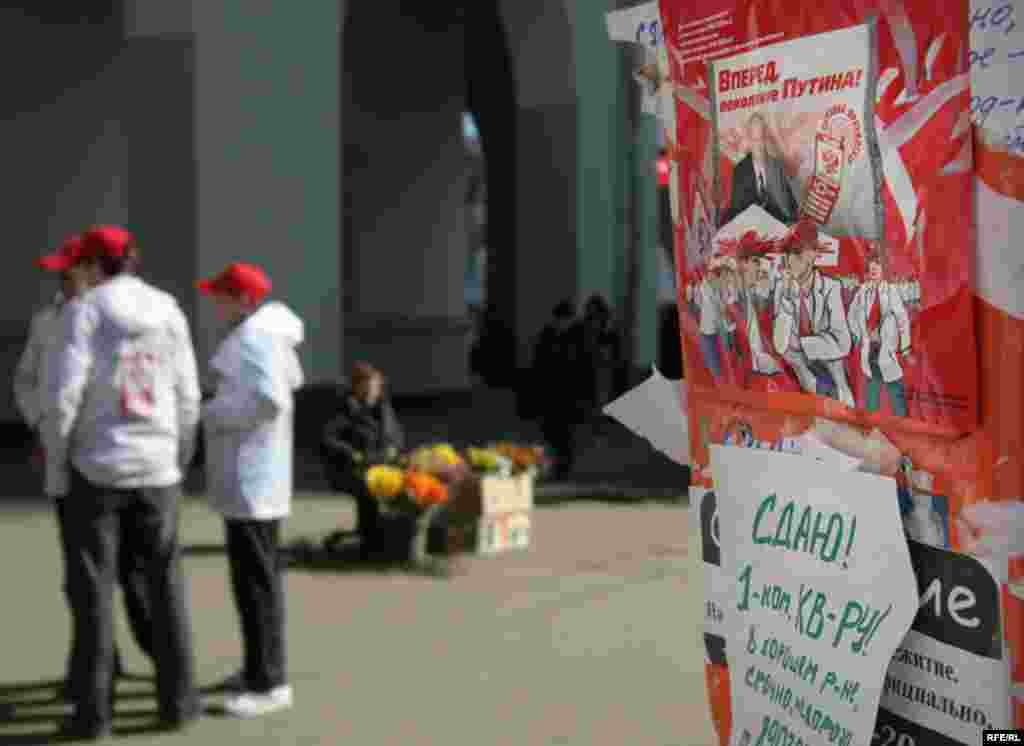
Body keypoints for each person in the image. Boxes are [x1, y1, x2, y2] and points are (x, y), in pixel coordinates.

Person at [39, 225, 200, 739]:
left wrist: (58, 463)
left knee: (94, 594)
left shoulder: (84, 312)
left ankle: (94, 714)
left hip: (99, 468)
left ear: (91, 264)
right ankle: (179, 704)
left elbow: (64, 394)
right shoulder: (169, 308)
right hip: (157, 467)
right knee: (166, 587)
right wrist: (179, 454)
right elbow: (188, 392)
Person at [19, 236, 156, 703]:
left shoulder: (118, 314)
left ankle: (162, 657)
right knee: (80, 576)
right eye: (58, 271)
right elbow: (29, 380)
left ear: (90, 268)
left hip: (116, 456)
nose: (63, 278)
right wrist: (42, 421)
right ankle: (97, 668)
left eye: (69, 269)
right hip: (69, 460)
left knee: (135, 573)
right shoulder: (46, 321)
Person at [197, 262, 304, 717]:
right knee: (253, 582)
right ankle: (258, 668)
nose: (215, 300)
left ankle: (269, 683)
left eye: (222, 294)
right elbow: (288, 385)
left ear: (243, 299)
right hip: (256, 477)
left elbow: (271, 399)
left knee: (256, 584)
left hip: (253, 478)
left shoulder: (257, 337)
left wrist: (215, 412)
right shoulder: (266, 333)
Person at [321, 362, 404, 559]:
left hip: (381, 465)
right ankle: (371, 541)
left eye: (376, 386)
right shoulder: (345, 408)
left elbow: (397, 434)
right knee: (371, 490)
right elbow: (328, 439)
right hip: (350, 469)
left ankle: (382, 537)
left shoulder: (383, 408)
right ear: (357, 386)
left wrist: (394, 448)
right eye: (369, 386)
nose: (373, 391)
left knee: (405, 485)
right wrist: (351, 453)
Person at [772, 218, 855, 407]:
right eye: (786, 254)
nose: (788, 261)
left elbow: (843, 343)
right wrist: (785, 298)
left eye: (794, 253)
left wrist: (801, 345)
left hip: (833, 381)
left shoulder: (830, 288)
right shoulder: (782, 288)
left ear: (811, 255)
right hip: (804, 384)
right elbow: (780, 345)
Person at [848, 249, 914, 417]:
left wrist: (905, 348)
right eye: (871, 263)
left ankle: (903, 424)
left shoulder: (891, 291)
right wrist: (859, 337)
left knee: (895, 389)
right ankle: (870, 428)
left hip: (886, 349)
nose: (874, 267)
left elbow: (903, 320)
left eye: (878, 263)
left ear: (884, 268)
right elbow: (852, 315)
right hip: (869, 350)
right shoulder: (862, 292)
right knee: (872, 392)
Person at [531, 301, 587, 479]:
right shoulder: (546, 337)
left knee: (565, 435)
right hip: (549, 394)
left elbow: (584, 369)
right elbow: (538, 366)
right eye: (560, 319)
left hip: (569, 396)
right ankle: (551, 467)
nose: (562, 323)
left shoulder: (577, 338)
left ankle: (563, 469)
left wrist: (584, 396)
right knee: (549, 433)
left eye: (566, 320)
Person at [721, 112, 800, 227]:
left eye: (761, 139)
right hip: (752, 229)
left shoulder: (777, 166)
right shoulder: (740, 170)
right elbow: (736, 211)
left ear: (766, 138)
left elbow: (790, 204)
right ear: (749, 139)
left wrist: (794, 222)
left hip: (779, 227)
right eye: (755, 140)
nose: (758, 146)